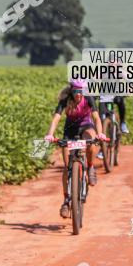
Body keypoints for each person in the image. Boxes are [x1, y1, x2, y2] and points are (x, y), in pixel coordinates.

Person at [44, 78, 108, 219]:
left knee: (91, 141)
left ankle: (90, 167)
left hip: (86, 127)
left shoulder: (88, 98)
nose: (79, 94)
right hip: (70, 131)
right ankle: (66, 200)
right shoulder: (65, 100)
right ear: (71, 90)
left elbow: (96, 118)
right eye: (76, 91)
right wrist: (49, 135)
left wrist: (100, 133)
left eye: (81, 91)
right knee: (67, 167)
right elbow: (56, 118)